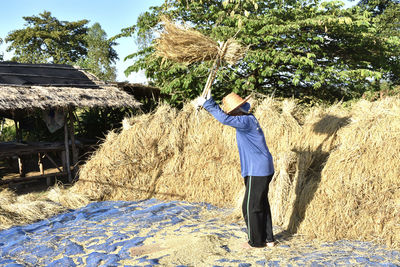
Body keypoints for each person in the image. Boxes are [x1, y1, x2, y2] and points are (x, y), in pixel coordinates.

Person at [195, 91, 275, 248]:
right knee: (261, 204)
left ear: (236, 111)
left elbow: (224, 119)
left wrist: (207, 104)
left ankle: (256, 242)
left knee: (250, 206)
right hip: (263, 168)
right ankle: (269, 239)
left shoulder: (245, 121)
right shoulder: (248, 119)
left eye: (231, 111)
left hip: (257, 170)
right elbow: (227, 118)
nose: (230, 114)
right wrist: (209, 101)